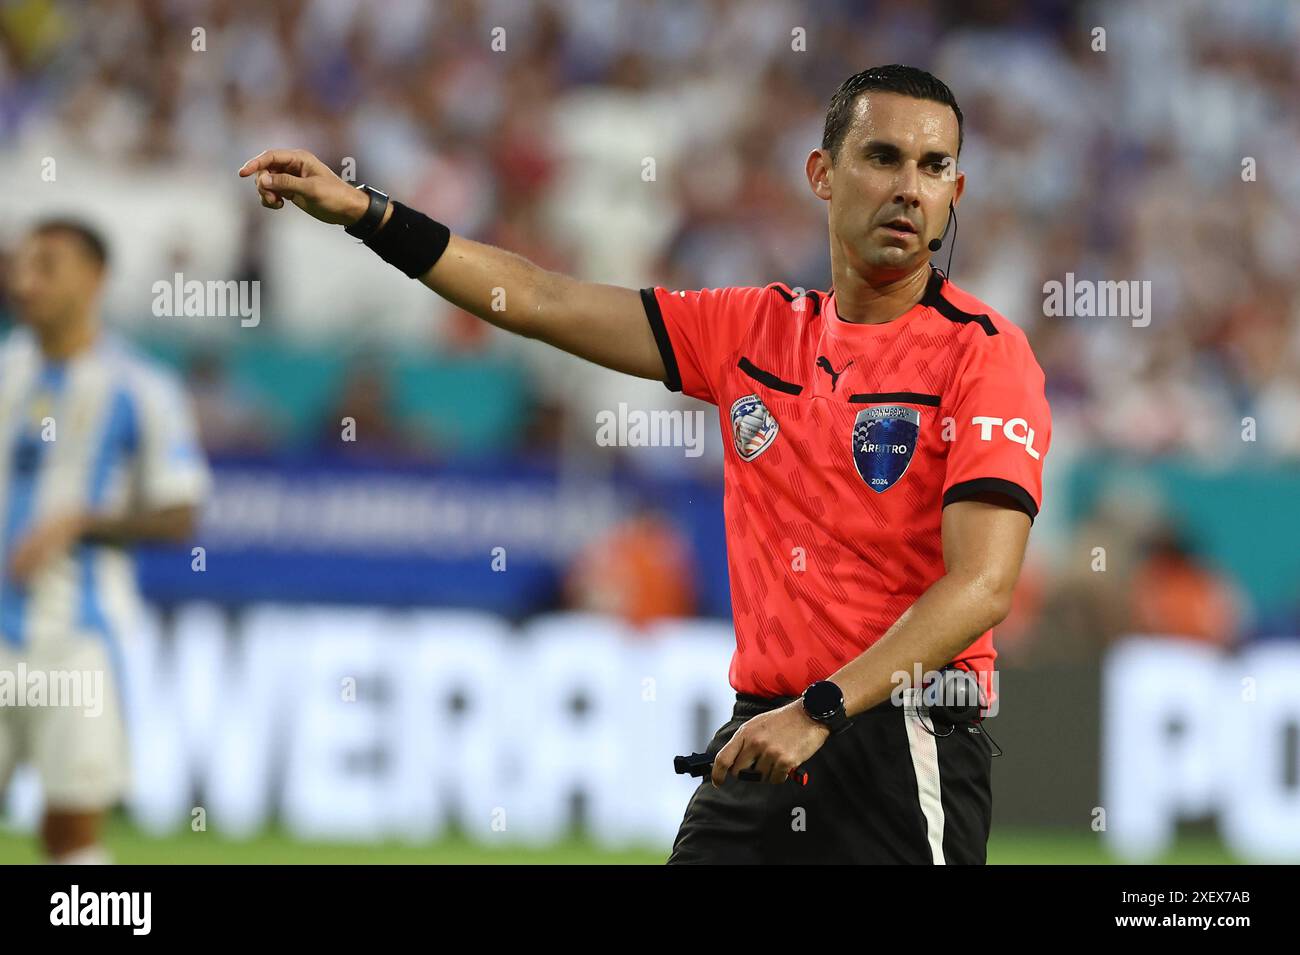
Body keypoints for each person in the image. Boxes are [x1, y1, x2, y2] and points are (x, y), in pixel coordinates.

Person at [238, 63, 1051, 864]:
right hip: (765, 729)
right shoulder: (752, 330)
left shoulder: (984, 356)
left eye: (933, 165)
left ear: (956, 193)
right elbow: (538, 299)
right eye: (883, 157)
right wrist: (364, 213)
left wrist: (824, 708)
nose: (910, 186)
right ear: (823, 174)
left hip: (899, 737)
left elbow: (982, 585)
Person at [0, 219, 211, 863]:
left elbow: (180, 515)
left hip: (80, 639)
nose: (26, 281)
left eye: (49, 265)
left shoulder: (141, 386)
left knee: (70, 835)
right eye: (21, 265)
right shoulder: (6, 370)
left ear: (95, 280)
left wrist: (79, 523)